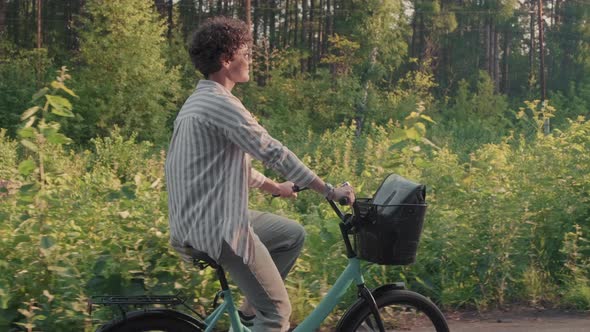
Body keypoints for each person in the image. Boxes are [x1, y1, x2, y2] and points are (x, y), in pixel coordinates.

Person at [165, 16, 355, 332]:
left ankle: (250, 314)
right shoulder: (221, 104)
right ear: (227, 60)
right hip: (218, 227)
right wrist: (329, 190)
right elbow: (273, 151)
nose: (250, 59)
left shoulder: (198, 101)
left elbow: (224, 165)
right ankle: (264, 318)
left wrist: (276, 188)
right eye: (246, 53)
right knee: (279, 313)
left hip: (197, 219)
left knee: (291, 235)